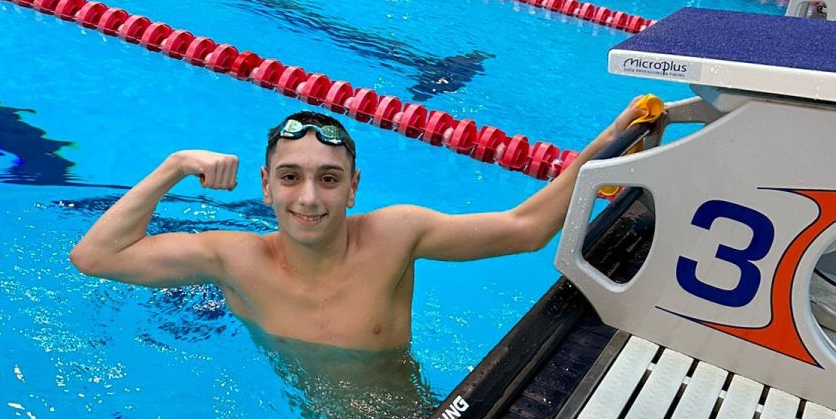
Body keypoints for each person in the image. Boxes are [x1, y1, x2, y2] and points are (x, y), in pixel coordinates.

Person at [69, 99, 657, 355]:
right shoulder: (233, 258)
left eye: (328, 179)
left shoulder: (396, 236)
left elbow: (524, 228)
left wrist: (611, 144)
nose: (308, 198)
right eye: (291, 178)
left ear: (353, 189)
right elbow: (95, 257)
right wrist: (174, 166)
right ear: (266, 186)